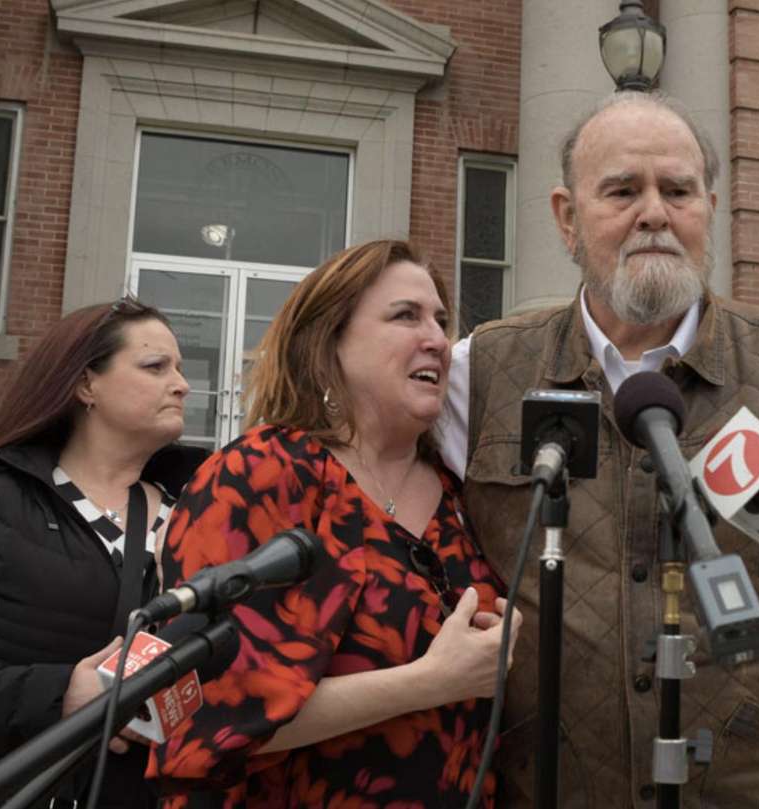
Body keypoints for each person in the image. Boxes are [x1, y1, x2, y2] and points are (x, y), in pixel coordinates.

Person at [440, 91, 759, 809]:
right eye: (623, 190)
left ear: (709, 206)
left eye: (678, 190)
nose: (655, 213)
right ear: (566, 218)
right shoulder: (479, 375)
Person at [150, 239, 519, 808]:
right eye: (405, 316)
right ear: (330, 343)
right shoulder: (260, 475)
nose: (438, 341)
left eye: (442, 322)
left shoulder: (461, 493)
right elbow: (207, 711)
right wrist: (431, 682)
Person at [0, 298, 203, 807]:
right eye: (155, 367)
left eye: (180, 369)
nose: (182, 384)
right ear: (85, 385)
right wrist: (61, 694)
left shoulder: (201, 513)